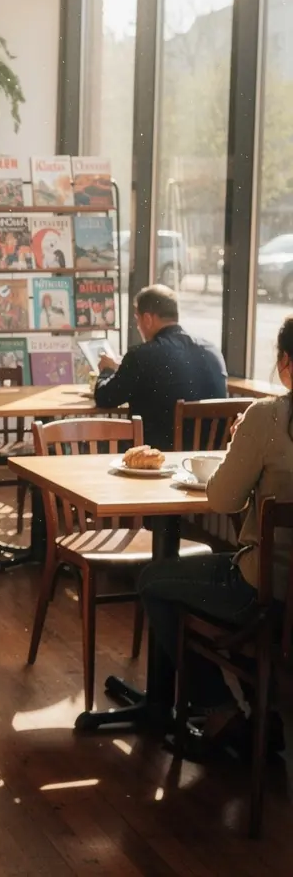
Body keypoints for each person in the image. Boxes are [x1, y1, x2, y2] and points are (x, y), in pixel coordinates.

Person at [137, 317, 293, 752]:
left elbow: (223, 499)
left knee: (154, 582)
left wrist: (238, 446)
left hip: (268, 591)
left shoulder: (269, 417)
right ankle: (262, 710)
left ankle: (222, 709)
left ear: (285, 363)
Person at [94, 284, 227, 451]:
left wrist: (107, 370)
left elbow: (104, 398)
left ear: (148, 319)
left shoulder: (140, 356)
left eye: (138, 319)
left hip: (156, 461)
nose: (138, 326)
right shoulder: (211, 351)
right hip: (207, 460)